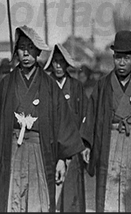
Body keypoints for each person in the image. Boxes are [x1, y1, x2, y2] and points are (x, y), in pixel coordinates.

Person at [0, 25, 85, 212]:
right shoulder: (6, 84)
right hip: (12, 149)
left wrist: (62, 159)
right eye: (21, 48)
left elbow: (63, 122)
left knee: (39, 202)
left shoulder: (50, 86)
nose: (26, 53)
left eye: (30, 48)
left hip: (40, 151)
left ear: (37, 51)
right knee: (13, 201)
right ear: (16, 52)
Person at [81, 30, 131, 212]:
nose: (122, 63)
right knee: (109, 188)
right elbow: (91, 114)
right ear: (113, 57)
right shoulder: (103, 85)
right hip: (110, 141)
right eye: (118, 58)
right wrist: (87, 144)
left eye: (127, 58)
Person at [45, 43, 87, 212]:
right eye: (55, 62)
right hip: (51, 146)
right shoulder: (46, 85)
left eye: (62, 62)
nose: (58, 66)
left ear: (67, 64)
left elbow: (84, 115)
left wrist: (83, 144)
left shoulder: (76, 86)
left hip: (72, 146)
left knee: (72, 195)